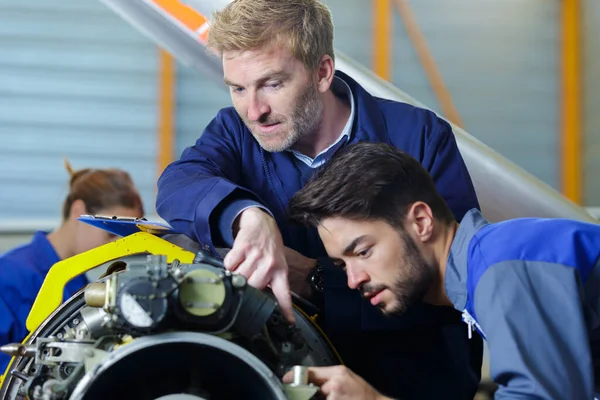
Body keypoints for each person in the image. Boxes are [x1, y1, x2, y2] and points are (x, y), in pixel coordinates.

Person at [156, 0, 482, 397]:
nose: (254, 111)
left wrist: (316, 280)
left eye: (272, 83)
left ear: (322, 72)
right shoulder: (234, 132)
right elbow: (178, 182)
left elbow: (455, 284)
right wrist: (248, 216)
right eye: (238, 88)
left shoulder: (420, 138)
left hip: (412, 383)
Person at [286, 141, 600, 400]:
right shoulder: (489, 267)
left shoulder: (503, 266)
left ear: (421, 222)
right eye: (342, 265)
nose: (354, 280)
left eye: (364, 252)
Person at [0, 160, 144, 372]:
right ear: (78, 211)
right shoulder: (10, 275)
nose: (119, 246)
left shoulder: (80, 283)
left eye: (126, 238)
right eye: (111, 234)